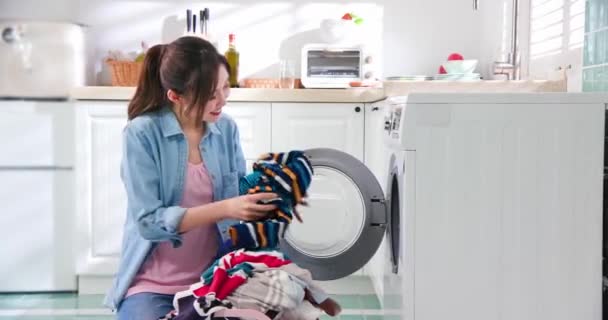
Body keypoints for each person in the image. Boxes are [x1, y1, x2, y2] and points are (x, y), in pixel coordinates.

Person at [103, 36, 279, 320]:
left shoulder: (226, 128)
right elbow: (148, 222)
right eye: (210, 94)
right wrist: (226, 208)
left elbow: (238, 193)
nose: (222, 100)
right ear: (175, 95)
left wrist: (267, 189)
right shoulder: (142, 133)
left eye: (225, 87)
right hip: (153, 286)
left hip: (215, 279)